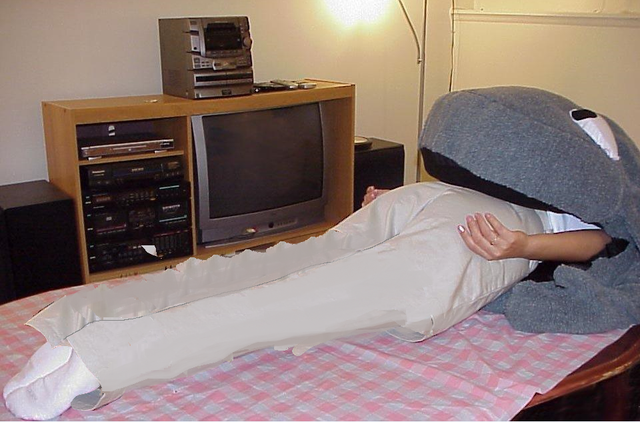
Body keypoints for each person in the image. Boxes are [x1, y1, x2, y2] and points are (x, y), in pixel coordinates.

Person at [363, 185, 612, 263]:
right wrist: (403, 199)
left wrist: (526, 246)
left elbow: (602, 240)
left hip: (532, 231)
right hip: (478, 204)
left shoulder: (594, 193)